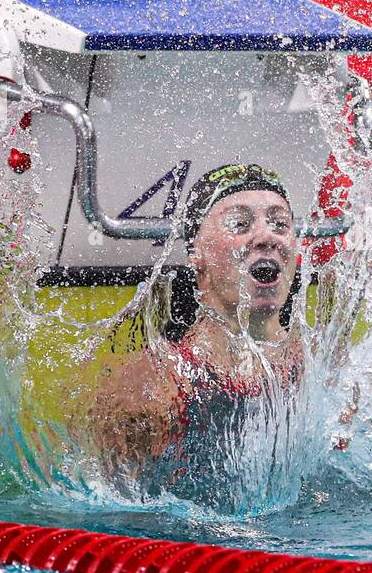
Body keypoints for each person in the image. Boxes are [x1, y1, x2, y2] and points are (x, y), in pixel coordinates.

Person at [89, 164, 306, 506]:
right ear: (197, 255)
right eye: (240, 224)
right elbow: (118, 516)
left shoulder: (324, 373)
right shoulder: (152, 391)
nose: (267, 237)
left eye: (280, 224)